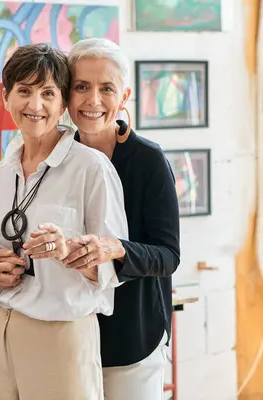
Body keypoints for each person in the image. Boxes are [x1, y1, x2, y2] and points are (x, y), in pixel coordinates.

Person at [0, 43, 128, 400]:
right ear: (6, 97)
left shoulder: (92, 169)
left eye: (47, 93)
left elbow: (112, 268)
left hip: (59, 334)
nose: (34, 106)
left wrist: (69, 250)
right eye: (23, 91)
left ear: (62, 103)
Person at [62, 38, 181, 400]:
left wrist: (116, 249)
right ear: (67, 94)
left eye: (106, 88)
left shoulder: (148, 161)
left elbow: (168, 256)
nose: (92, 100)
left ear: (124, 96)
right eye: (81, 87)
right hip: (70, 334)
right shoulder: (59, 158)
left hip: (133, 336)